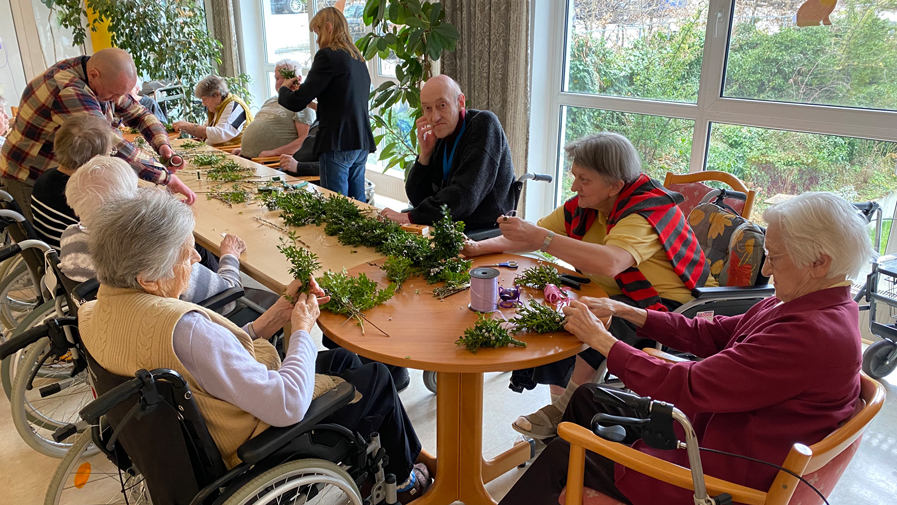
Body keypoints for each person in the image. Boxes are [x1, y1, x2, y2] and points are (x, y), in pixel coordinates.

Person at [500, 191, 871, 505]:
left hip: (717, 477)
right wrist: (627, 310)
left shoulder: (809, 335)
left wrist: (603, 342)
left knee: (567, 450)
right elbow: (708, 335)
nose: (769, 270)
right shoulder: (805, 304)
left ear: (819, 263)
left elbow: (695, 386)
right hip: (717, 436)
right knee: (589, 399)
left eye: (774, 257)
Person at [78, 190, 431, 502]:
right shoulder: (182, 327)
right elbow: (286, 405)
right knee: (378, 379)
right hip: (256, 442)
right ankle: (405, 481)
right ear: (149, 279)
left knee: (340, 360)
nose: (200, 260)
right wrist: (303, 329)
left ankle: (393, 455)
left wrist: (276, 315)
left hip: (189, 435)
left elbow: (208, 360)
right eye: (187, 255)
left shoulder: (95, 312)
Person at [463, 132, 712, 442]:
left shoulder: (647, 213)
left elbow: (610, 263)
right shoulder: (586, 206)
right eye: (575, 176)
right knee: (559, 311)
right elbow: (531, 236)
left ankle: (565, 411)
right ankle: (563, 416)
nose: (573, 186)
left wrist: (543, 239)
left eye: (584, 179)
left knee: (590, 315)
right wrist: (476, 248)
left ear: (615, 185)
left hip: (667, 309)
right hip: (614, 295)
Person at [0, 48, 194, 221]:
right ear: (94, 75)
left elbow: (140, 114)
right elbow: (110, 143)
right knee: (49, 252)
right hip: (26, 176)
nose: (117, 100)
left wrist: (163, 146)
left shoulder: (101, 79)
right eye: (112, 94)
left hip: (57, 173)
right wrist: (166, 177)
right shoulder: (69, 91)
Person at [59, 156, 245, 312]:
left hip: (108, 324)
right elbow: (229, 298)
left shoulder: (69, 237)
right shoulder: (158, 259)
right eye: (136, 191)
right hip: (192, 323)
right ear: (128, 205)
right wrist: (230, 255)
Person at [379, 75, 515, 230]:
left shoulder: (484, 124)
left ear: (460, 102)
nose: (434, 117)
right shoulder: (442, 135)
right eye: (427, 109)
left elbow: (465, 196)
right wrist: (425, 156)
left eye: (442, 105)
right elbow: (418, 199)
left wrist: (409, 217)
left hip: (482, 230)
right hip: (447, 224)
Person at [277, 7, 375, 202]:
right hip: (360, 141)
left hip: (338, 142)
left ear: (328, 27)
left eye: (317, 31)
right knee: (359, 205)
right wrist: (312, 101)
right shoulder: (357, 58)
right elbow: (342, 102)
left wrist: (284, 89)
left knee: (337, 206)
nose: (317, 39)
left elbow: (297, 102)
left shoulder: (327, 56)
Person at [31, 115, 113, 249]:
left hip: (52, 254)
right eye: (110, 153)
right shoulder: (85, 195)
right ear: (94, 160)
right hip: (74, 262)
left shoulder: (44, 177)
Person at [235, 59, 316, 160]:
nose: (279, 82)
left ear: (298, 79)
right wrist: (245, 148)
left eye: (284, 78)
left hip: (269, 162)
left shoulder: (302, 104)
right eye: (277, 78)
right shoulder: (270, 101)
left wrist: (274, 152)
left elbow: (304, 141)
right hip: (246, 157)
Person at [174, 75, 253, 148]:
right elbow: (206, 133)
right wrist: (185, 128)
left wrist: (188, 126)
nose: (204, 104)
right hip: (219, 151)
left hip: (235, 154)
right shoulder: (218, 107)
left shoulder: (234, 105)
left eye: (205, 99)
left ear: (217, 95)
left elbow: (219, 134)